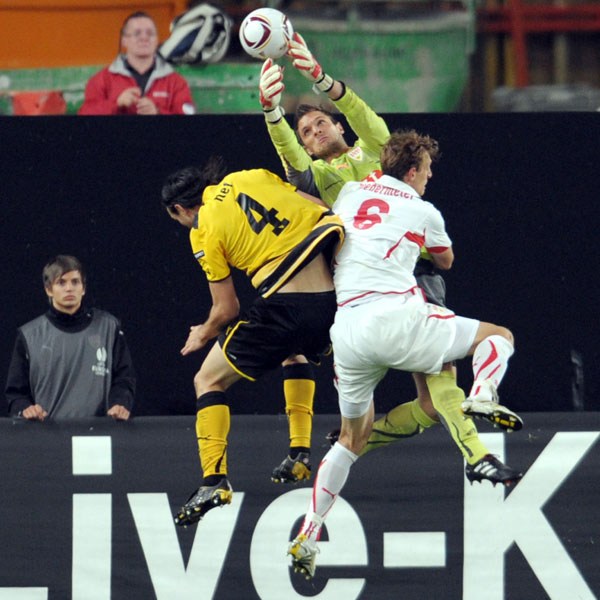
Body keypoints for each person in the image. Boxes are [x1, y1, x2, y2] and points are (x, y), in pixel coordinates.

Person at [258, 34, 519, 475]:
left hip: (411, 274)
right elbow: (290, 159)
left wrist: (320, 78)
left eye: (321, 122)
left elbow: (367, 117)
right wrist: (271, 113)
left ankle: (354, 442)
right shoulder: (317, 178)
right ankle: (478, 456)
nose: (315, 131)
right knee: (442, 380)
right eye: (306, 132)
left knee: (431, 403)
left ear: (340, 126)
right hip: (369, 284)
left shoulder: (376, 152)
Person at [287, 130, 524, 578]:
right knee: (498, 336)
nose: (430, 180)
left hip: (349, 333)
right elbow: (446, 260)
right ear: (412, 172)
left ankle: (309, 530)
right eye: (428, 172)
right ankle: (485, 392)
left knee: (350, 440)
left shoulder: (353, 191)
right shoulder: (422, 209)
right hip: (397, 317)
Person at [160, 156, 344, 526]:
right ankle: (299, 454)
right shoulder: (250, 175)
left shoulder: (202, 229)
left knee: (206, 380)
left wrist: (204, 331)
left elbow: (226, 309)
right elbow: (321, 207)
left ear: (180, 209)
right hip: (330, 303)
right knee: (293, 352)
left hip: (285, 304)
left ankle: (213, 480)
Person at [5, 255, 136, 420]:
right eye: (61, 282)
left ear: (83, 288)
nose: (69, 288)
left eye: (75, 282)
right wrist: (25, 409)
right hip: (47, 438)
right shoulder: (29, 335)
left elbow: (124, 379)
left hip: (97, 436)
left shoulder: (109, 327)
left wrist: (120, 404)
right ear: (48, 289)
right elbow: (16, 394)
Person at [78, 11, 195, 115]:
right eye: (137, 33)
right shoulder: (101, 80)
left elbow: (189, 124)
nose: (144, 37)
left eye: (150, 33)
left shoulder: (176, 82)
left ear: (157, 40)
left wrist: (158, 112)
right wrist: (116, 104)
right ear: (124, 40)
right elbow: (85, 116)